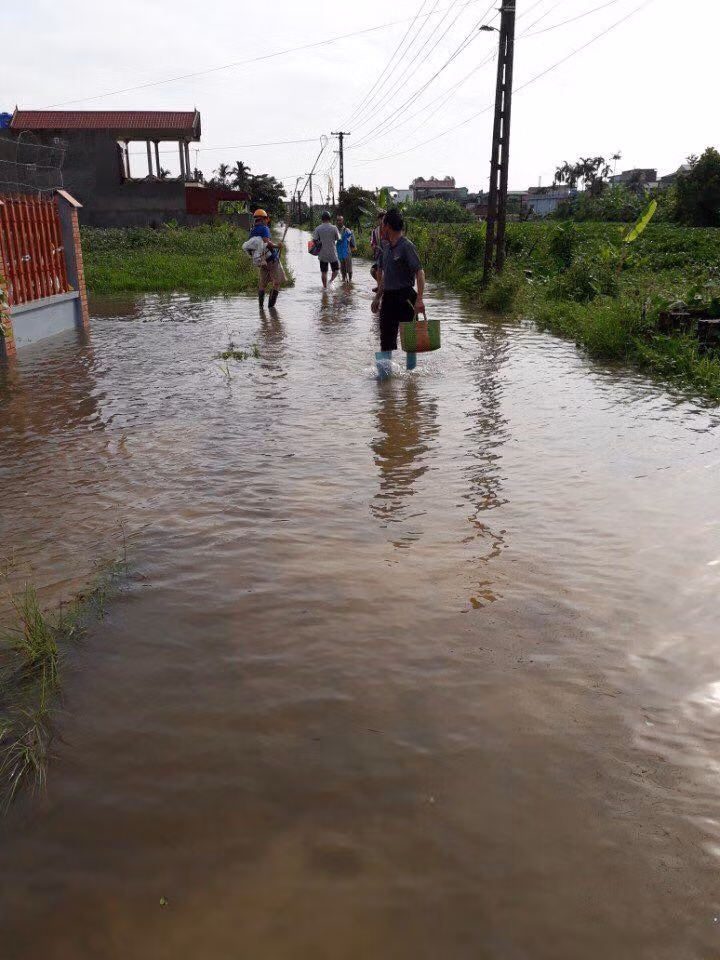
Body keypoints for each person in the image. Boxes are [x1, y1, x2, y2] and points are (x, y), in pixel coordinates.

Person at [371, 208, 426, 379]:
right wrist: (377, 297)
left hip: (406, 298)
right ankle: (383, 382)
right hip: (388, 299)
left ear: (388, 226)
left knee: (410, 342)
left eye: (383, 225)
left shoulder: (407, 246)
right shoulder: (386, 248)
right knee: (385, 341)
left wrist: (419, 299)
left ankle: (411, 378)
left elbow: (420, 273)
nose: (381, 228)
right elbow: (385, 277)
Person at [248, 208, 284, 308]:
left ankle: (261, 308)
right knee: (276, 283)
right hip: (271, 259)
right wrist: (278, 246)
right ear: (263, 219)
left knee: (262, 284)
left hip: (261, 261)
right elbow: (267, 242)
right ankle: (271, 308)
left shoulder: (252, 231)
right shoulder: (265, 229)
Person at [311, 211, 341, 288]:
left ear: (322, 219)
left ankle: (324, 288)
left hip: (322, 254)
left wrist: (318, 242)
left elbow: (314, 240)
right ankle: (330, 281)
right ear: (329, 218)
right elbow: (338, 238)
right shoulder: (334, 228)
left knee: (324, 272)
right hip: (332, 253)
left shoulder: (318, 228)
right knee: (336, 270)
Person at [335, 215, 356, 282]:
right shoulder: (335, 231)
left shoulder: (347, 230)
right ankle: (344, 280)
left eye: (340, 220)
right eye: (338, 220)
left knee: (349, 268)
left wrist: (353, 247)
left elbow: (352, 240)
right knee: (342, 268)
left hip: (347, 251)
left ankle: (350, 280)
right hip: (340, 252)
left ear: (343, 221)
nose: (339, 222)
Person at [370, 210, 386, 290]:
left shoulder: (389, 229)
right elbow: (372, 243)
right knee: (374, 271)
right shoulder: (375, 231)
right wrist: (375, 247)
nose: (382, 221)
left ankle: (382, 287)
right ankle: (380, 286)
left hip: (389, 255)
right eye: (381, 219)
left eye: (384, 219)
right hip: (379, 255)